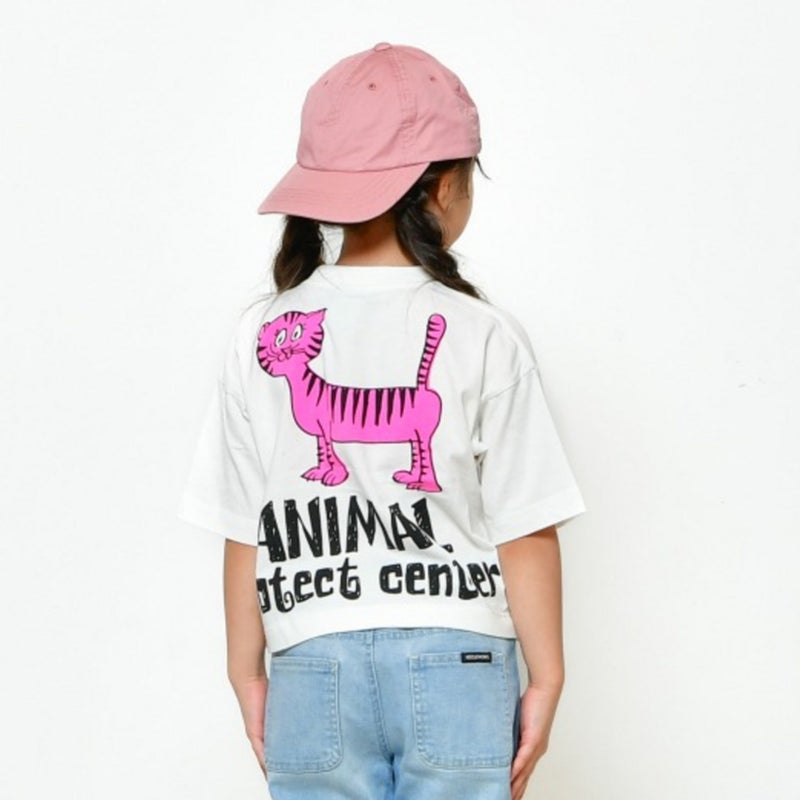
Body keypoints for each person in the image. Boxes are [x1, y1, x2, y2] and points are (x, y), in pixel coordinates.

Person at [177, 42, 585, 800]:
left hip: (310, 659)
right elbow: (525, 524)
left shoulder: (257, 333)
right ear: (446, 186)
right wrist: (548, 675)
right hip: (459, 659)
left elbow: (244, 526)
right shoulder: (485, 332)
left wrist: (246, 672)